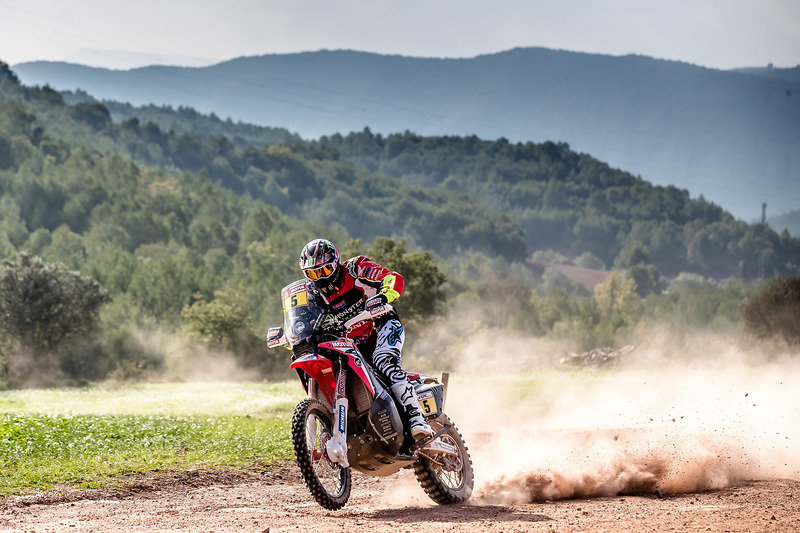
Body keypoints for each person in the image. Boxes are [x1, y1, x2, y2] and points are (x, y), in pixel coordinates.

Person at [299, 238, 433, 441]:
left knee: (383, 360)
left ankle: (417, 418)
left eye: (324, 271)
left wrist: (385, 296)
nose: (320, 278)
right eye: (313, 273)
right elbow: (301, 319)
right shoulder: (312, 293)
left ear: (335, 264)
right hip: (351, 343)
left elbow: (394, 278)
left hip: (381, 327)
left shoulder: (356, 268)